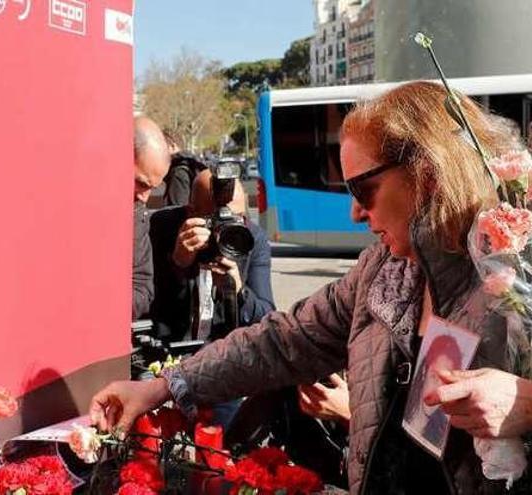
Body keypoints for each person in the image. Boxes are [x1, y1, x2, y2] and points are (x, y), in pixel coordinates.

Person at [91, 81, 532, 494]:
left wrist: (525, 405)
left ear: (428, 173)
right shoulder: (381, 270)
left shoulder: (518, 268)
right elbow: (284, 340)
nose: (355, 213)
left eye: (364, 189)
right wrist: (162, 387)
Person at [150, 168, 274, 343]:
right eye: (216, 219)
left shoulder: (251, 238)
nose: (226, 227)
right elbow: (146, 306)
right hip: (171, 349)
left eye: (237, 218)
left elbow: (268, 318)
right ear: (191, 212)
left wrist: (239, 291)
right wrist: (178, 265)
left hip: (224, 353)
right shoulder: (163, 228)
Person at [132, 116, 170, 320]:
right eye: (141, 183)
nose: (144, 197)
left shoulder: (137, 215)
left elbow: (142, 287)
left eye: (152, 188)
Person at [404, 334, 463, 451]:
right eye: (434, 377)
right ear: (423, 373)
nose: (438, 392)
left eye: (445, 383)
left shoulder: (442, 435)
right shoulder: (400, 402)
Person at [161, 130, 209, 208]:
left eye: (161, 148)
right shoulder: (191, 164)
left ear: (172, 146)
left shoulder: (179, 172)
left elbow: (177, 211)